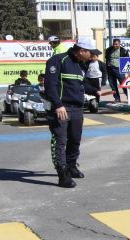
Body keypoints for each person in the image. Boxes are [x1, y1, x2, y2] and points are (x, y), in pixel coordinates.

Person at [44, 37, 97, 188]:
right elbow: (50, 85)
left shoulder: (81, 65)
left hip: (77, 109)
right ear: (82, 51)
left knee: (75, 140)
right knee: (60, 141)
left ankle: (71, 165)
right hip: (61, 108)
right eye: (91, 53)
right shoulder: (58, 60)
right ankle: (62, 174)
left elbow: (81, 84)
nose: (94, 56)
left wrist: (97, 91)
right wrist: (58, 105)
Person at [105, 38, 130, 102]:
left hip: (119, 69)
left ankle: (129, 97)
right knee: (112, 85)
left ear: (119, 44)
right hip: (110, 68)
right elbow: (107, 58)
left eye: (116, 44)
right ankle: (117, 98)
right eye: (114, 44)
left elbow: (127, 59)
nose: (115, 45)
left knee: (123, 83)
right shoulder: (108, 50)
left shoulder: (123, 51)